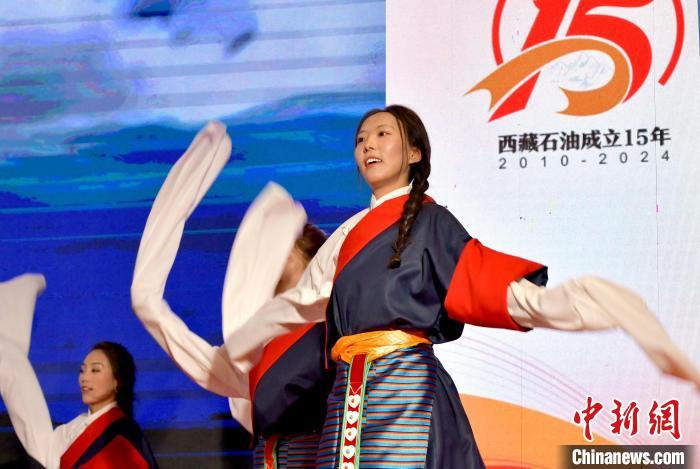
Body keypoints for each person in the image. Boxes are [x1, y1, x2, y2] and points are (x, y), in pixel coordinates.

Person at [229, 104, 700, 468]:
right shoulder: (346, 236)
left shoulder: (431, 223)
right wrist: (236, 351)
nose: (368, 144)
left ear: (414, 153)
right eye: (360, 139)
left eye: (382, 134)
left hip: (403, 392)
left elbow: (485, 282)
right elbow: (295, 309)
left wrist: (585, 305)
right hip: (344, 401)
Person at [129, 121, 330, 468]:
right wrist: (145, 300)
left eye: (282, 243)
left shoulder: (333, 319)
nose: (270, 254)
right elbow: (201, 355)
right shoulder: (253, 348)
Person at [0, 274, 157, 469]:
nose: (84, 378)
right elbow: (44, 447)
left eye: (95, 370)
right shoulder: (78, 426)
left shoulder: (124, 437)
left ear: (117, 381)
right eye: (82, 371)